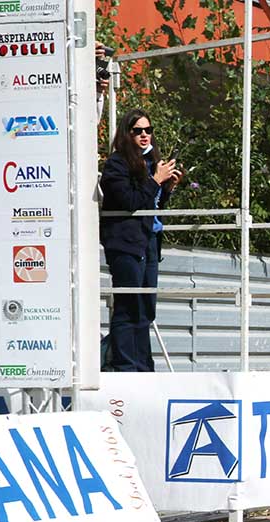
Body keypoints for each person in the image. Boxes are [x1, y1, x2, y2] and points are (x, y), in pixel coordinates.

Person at [100, 110, 182, 371]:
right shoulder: (117, 164)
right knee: (128, 306)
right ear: (127, 133)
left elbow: (151, 204)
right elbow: (130, 202)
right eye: (138, 130)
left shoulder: (150, 162)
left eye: (148, 130)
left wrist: (166, 188)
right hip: (126, 243)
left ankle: (144, 367)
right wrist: (156, 180)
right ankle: (125, 365)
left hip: (149, 241)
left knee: (146, 308)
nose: (145, 135)